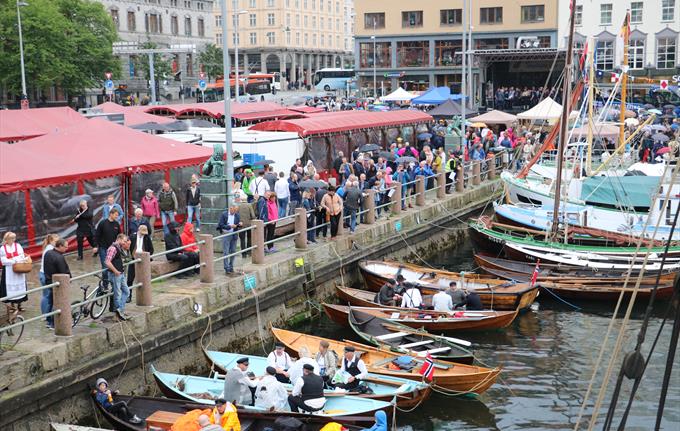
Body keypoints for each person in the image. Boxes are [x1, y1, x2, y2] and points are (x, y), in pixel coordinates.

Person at [43, 239, 71, 329]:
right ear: (60, 246)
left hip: (48, 280)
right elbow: (63, 272)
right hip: (57, 283)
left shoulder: (48, 253)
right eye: (66, 247)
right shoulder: (59, 257)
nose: (67, 248)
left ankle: (48, 320)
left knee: (50, 301)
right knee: (57, 303)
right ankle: (53, 323)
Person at [105, 234, 132, 321]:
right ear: (119, 239)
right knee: (118, 293)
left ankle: (120, 310)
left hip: (120, 273)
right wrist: (115, 271)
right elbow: (107, 262)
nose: (125, 243)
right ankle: (119, 312)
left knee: (126, 291)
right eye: (124, 241)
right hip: (115, 274)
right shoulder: (113, 248)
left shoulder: (119, 247)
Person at [95, 207, 121, 290]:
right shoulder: (103, 223)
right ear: (111, 214)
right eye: (116, 215)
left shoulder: (117, 224)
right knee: (105, 266)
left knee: (113, 266)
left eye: (117, 215)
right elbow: (97, 235)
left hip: (113, 249)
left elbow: (119, 236)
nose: (117, 217)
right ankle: (105, 285)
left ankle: (113, 284)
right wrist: (96, 246)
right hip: (103, 248)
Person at [217, 205, 242, 275]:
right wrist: (229, 226)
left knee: (233, 251)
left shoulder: (237, 215)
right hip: (226, 234)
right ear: (230, 209)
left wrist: (240, 224)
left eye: (235, 211)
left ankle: (231, 266)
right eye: (233, 210)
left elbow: (238, 224)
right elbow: (220, 225)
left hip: (234, 234)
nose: (234, 212)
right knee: (226, 252)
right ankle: (226, 268)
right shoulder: (224, 214)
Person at [128, 224, 154, 289]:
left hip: (143, 259)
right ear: (138, 230)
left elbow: (151, 249)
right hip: (133, 258)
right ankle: (129, 295)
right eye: (142, 233)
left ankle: (143, 291)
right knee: (130, 279)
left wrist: (146, 255)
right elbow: (127, 248)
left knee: (143, 278)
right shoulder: (132, 237)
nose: (143, 234)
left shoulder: (147, 238)